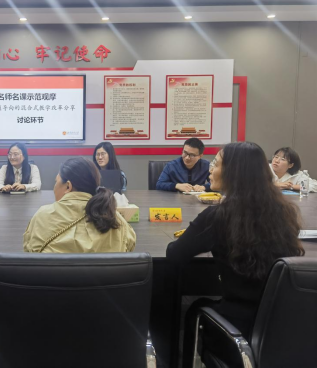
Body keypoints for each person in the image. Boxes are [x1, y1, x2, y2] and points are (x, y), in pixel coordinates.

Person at [166, 142, 304, 367]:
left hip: (238, 333)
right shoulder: (284, 212)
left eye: (216, 164)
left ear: (233, 172)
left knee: (194, 311)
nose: (210, 169)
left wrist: (199, 235)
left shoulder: (218, 216)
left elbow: (175, 254)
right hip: (281, 328)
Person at [23, 157, 136, 253]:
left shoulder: (41, 217)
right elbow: (129, 247)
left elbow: (28, 250)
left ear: (68, 186)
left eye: (56, 182)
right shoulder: (116, 220)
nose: (54, 187)